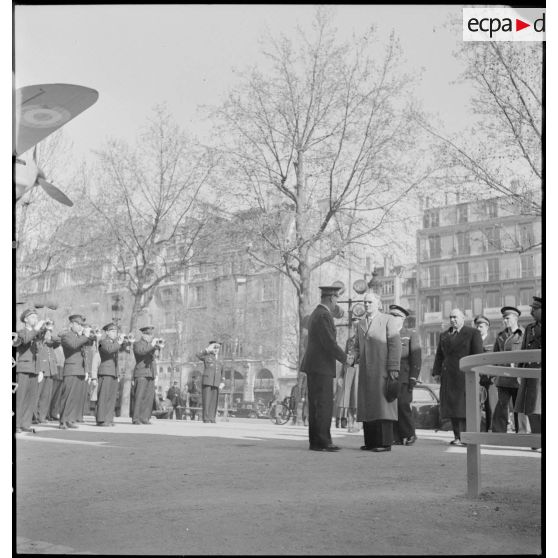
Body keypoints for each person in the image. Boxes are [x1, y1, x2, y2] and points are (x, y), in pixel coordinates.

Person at [300, 285, 350, 452]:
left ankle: (316, 441)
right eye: (336, 299)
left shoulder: (316, 313)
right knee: (323, 404)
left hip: (314, 365)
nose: (336, 303)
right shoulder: (324, 315)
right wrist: (345, 359)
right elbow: (329, 343)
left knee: (315, 404)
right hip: (321, 366)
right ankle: (323, 441)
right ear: (331, 298)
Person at [352, 292, 401, 453]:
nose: (367, 305)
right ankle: (371, 442)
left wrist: (393, 368)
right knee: (368, 405)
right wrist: (351, 359)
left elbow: (395, 345)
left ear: (378, 304)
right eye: (365, 302)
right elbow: (357, 346)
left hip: (383, 369)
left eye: (370, 302)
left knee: (383, 406)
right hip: (366, 371)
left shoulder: (388, 320)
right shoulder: (360, 324)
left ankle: (385, 443)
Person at [432, 308, 484, 446]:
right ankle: (457, 436)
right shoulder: (444, 335)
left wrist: (477, 373)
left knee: (465, 408)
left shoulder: (472, 333)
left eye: (455, 317)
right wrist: (436, 372)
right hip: (449, 376)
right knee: (452, 408)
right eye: (450, 317)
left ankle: (466, 437)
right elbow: (439, 355)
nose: (452, 320)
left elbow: (477, 355)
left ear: (463, 318)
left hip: (465, 376)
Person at [59, 314, 98, 429]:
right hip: (71, 369)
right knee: (67, 396)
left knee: (75, 397)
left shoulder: (80, 336)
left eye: (82, 324)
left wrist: (93, 335)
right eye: (79, 324)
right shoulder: (67, 335)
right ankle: (63, 421)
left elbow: (91, 343)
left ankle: (70, 419)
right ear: (71, 324)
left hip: (80, 370)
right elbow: (73, 345)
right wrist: (84, 335)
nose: (81, 327)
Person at [390, 305, 421, 446]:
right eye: (391, 315)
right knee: (392, 406)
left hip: (404, 377)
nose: (392, 318)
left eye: (395, 316)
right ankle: (396, 436)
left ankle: (410, 434)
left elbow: (416, 357)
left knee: (403, 405)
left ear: (402, 319)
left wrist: (413, 378)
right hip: (389, 377)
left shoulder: (410, 334)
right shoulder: (388, 334)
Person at [491, 307, 525, 434]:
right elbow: (494, 356)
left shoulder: (524, 334)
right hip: (503, 377)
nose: (505, 321)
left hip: (518, 377)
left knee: (519, 406)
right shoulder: (500, 336)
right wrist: (495, 373)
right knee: (502, 405)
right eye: (504, 318)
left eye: (507, 318)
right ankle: (498, 433)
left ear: (516, 318)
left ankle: (521, 433)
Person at [514, 296, 542, 439]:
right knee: (530, 407)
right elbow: (524, 351)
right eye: (532, 309)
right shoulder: (530, 328)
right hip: (530, 373)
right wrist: (520, 371)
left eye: (535, 309)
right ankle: (537, 438)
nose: (531, 312)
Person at [15, 308, 45, 433]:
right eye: (32, 317)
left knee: (30, 399)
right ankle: (16, 424)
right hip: (23, 368)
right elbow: (26, 339)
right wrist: (36, 329)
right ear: (26, 320)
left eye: (36, 317)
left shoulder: (36, 333)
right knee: (20, 398)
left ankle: (25, 424)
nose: (35, 319)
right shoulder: (20, 332)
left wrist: (40, 370)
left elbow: (40, 350)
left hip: (34, 369)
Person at [95, 323, 127, 427]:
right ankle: (101, 419)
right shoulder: (102, 342)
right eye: (112, 331)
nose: (115, 333)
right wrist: (119, 342)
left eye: (116, 332)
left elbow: (123, 349)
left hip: (113, 372)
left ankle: (108, 419)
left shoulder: (114, 343)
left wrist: (125, 343)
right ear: (107, 332)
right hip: (105, 372)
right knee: (103, 397)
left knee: (111, 398)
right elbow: (109, 350)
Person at [131, 326, 161, 425]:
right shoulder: (137, 344)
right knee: (139, 396)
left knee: (149, 397)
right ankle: (136, 418)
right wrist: (152, 345)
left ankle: (145, 417)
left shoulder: (150, 346)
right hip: (141, 373)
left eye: (151, 335)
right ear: (143, 335)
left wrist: (158, 348)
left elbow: (154, 360)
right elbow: (141, 352)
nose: (151, 337)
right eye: (149, 335)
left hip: (150, 373)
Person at [335, 317, 360, 432]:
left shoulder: (365, 340)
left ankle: (357, 422)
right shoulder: (349, 341)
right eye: (354, 326)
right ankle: (349, 422)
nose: (355, 328)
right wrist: (340, 375)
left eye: (357, 326)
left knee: (357, 397)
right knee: (348, 397)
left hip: (359, 370)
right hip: (349, 370)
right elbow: (344, 358)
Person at [33, 320, 61, 424]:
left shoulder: (51, 343)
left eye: (50, 331)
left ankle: (42, 417)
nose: (49, 334)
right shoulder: (39, 342)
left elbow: (59, 341)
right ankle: (34, 417)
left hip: (50, 371)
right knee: (37, 395)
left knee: (46, 396)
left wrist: (50, 332)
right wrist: (44, 329)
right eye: (47, 332)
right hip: (41, 370)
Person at [474, 314, 496, 433]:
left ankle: (490, 430)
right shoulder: (473, 341)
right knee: (476, 406)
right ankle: (477, 431)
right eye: (477, 326)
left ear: (487, 327)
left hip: (490, 378)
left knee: (491, 406)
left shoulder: (494, 340)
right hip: (476, 378)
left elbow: (497, 359)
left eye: (481, 326)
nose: (478, 329)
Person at [196, 341, 225, 423]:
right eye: (214, 347)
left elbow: (223, 371)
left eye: (218, 348)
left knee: (214, 401)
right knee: (207, 400)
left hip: (216, 382)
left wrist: (222, 381)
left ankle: (212, 417)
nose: (216, 350)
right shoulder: (207, 356)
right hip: (207, 381)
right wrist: (207, 350)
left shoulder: (220, 359)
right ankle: (206, 418)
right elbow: (198, 355)